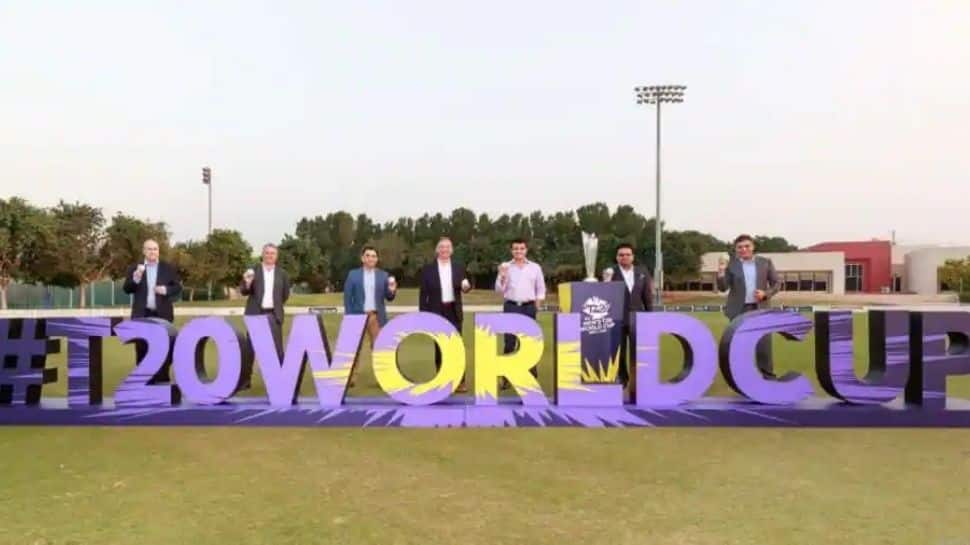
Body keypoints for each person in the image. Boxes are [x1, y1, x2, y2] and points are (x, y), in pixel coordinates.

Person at [716, 234, 781, 377]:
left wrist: (765, 293)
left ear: (753, 247)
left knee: (763, 345)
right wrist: (721, 271)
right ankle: (741, 377)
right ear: (736, 249)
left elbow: (777, 284)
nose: (744, 249)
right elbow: (723, 287)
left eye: (747, 246)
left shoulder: (765, 262)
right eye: (740, 247)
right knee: (739, 346)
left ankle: (767, 377)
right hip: (738, 311)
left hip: (760, 309)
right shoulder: (731, 265)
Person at [122, 239, 183, 383]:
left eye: (155, 249)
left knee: (164, 348)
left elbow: (177, 287)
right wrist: (136, 279)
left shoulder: (167, 268)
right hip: (142, 315)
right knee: (142, 349)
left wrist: (166, 290)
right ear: (144, 251)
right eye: (149, 249)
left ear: (158, 251)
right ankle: (144, 382)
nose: (153, 252)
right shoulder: (134, 268)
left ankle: (162, 380)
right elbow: (127, 289)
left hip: (162, 315)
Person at [418, 236, 472, 393]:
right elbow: (423, 295)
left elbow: (466, 286)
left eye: (447, 247)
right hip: (436, 311)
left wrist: (467, 287)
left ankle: (460, 381)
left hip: (454, 311)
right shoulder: (428, 270)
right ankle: (441, 380)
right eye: (442, 247)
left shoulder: (458, 268)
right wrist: (424, 315)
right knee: (439, 347)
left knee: (456, 347)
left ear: (451, 250)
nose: (445, 249)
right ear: (437, 250)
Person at [343, 246, 398, 387]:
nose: (371, 258)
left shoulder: (383, 276)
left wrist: (392, 290)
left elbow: (389, 297)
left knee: (379, 349)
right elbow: (348, 298)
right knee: (354, 349)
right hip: (357, 316)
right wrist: (350, 317)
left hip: (376, 317)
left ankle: (383, 378)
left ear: (377, 259)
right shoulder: (353, 275)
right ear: (362, 258)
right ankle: (351, 378)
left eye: (373, 256)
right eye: (368, 255)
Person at [494, 238, 546, 385]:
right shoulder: (506, 267)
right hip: (511, 306)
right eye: (516, 249)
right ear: (512, 251)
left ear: (526, 250)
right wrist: (502, 275)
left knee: (529, 342)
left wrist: (537, 303)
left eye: (521, 248)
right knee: (509, 342)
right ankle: (506, 377)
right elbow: (498, 290)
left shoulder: (535, 267)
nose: (519, 251)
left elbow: (541, 288)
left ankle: (531, 375)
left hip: (529, 307)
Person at [240, 243, 291, 388]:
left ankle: (281, 381)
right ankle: (245, 381)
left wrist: (276, 306)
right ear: (262, 254)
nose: (269, 255)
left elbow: (285, 294)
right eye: (267, 253)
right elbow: (243, 291)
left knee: (277, 349)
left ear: (276, 256)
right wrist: (247, 283)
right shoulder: (252, 271)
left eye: (272, 253)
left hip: (273, 315)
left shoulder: (282, 274)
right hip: (255, 314)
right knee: (250, 349)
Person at [606, 243, 652, 388]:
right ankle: (622, 379)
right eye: (621, 255)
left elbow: (647, 296)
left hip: (637, 318)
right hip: (617, 318)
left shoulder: (642, 272)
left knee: (638, 351)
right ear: (617, 257)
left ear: (633, 256)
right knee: (618, 352)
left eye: (627, 254)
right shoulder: (610, 272)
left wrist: (650, 317)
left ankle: (638, 380)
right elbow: (604, 294)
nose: (624, 257)